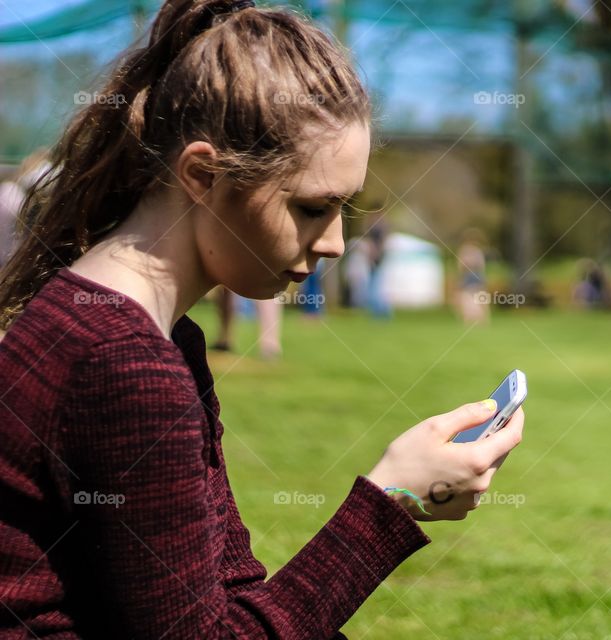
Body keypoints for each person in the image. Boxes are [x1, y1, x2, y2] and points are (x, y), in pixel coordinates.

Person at [0, 2, 524, 638]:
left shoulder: (160, 335)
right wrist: (393, 504)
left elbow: (231, 592)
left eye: (344, 211)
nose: (334, 243)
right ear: (202, 175)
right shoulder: (123, 362)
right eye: (310, 208)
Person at [456, 227, 489, 323]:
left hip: (475, 276)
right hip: (468, 277)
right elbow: (462, 265)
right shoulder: (465, 251)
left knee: (479, 298)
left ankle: (480, 318)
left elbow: (479, 265)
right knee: (467, 298)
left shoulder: (475, 251)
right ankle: (469, 318)